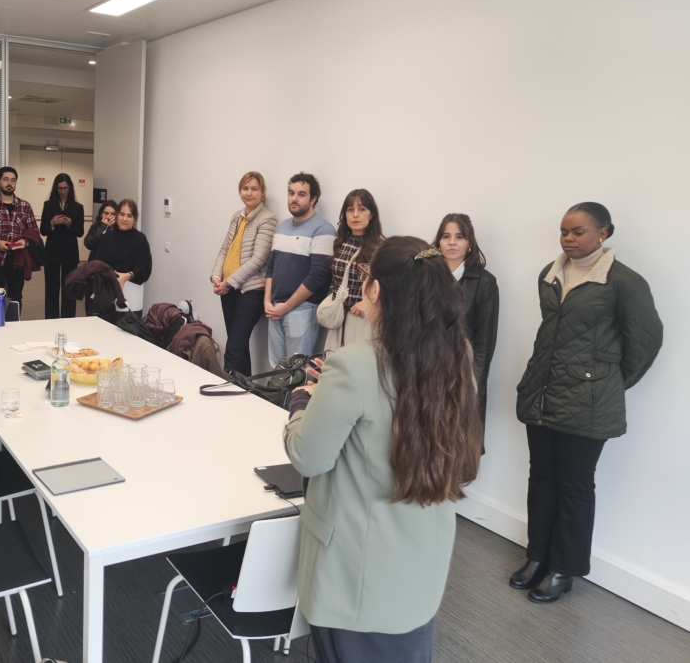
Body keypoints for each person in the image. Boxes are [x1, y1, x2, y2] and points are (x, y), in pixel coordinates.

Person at [284, 237, 482, 663]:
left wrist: (301, 402)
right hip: (422, 565)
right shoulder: (457, 354)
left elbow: (307, 456)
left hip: (357, 573)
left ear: (376, 290)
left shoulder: (353, 364)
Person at [510, 203, 662, 603]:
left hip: (588, 403)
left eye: (578, 231)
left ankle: (564, 568)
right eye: (564, 231)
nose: (568, 238)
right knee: (541, 479)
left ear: (603, 233)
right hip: (542, 393)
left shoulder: (624, 282)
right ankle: (538, 556)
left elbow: (646, 342)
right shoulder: (550, 273)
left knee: (575, 487)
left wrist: (606, 383)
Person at [435, 213, 499, 438]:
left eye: (459, 237)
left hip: (463, 377)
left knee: (460, 442)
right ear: (438, 242)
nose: (452, 242)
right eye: (446, 236)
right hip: (427, 373)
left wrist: (473, 385)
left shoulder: (484, 282)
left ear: (469, 243)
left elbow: (484, 344)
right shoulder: (425, 276)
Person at [264, 172, 336, 368]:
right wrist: (267, 301)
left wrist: (287, 306)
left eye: (301, 194)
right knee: (276, 368)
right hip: (275, 307)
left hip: (303, 309)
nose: (294, 198)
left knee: (297, 370)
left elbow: (318, 276)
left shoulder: (323, 229)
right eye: (291, 193)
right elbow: (271, 267)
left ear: (313, 199)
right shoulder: (282, 227)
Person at [210, 172, 277, 376]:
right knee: (239, 345)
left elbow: (259, 259)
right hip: (228, 290)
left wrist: (228, 283)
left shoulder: (268, 219)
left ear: (262, 193)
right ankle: (247, 389)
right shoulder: (237, 217)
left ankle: (226, 388)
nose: (249, 193)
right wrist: (216, 277)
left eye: (254, 189)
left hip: (250, 292)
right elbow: (225, 249)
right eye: (245, 188)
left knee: (233, 348)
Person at [318, 189, 383, 352]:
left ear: (371, 214)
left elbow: (388, 284)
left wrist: (367, 303)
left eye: (362, 209)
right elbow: (336, 279)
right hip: (339, 316)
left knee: (356, 363)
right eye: (350, 209)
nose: (355, 215)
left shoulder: (380, 247)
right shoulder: (340, 242)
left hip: (362, 318)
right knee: (334, 361)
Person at [0, 166, 38, 305]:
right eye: (5, 179)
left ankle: (14, 319)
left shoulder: (25, 206)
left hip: (18, 258)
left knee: (16, 297)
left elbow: (34, 232)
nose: (9, 183)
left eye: (13, 180)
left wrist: (25, 242)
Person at [88, 199, 152, 315]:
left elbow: (145, 267)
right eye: (122, 214)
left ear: (134, 219)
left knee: (128, 325)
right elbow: (98, 263)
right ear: (117, 216)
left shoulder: (140, 239)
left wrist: (129, 275)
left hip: (132, 291)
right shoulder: (107, 238)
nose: (124, 219)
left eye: (129, 216)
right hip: (108, 291)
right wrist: (110, 275)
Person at [40, 173, 85, 319]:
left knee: (69, 288)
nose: (63, 191)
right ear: (55, 188)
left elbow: (80, 232)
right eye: (60, 188)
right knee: (51, 289)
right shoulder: (48, 205)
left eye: (65, 188)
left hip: (70, 253)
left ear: (70, 188)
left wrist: (70, 224)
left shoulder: (78, 207)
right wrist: (52, 223)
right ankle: (51, 320)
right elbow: (43, 230)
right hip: (52, 253)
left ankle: (68, 319)